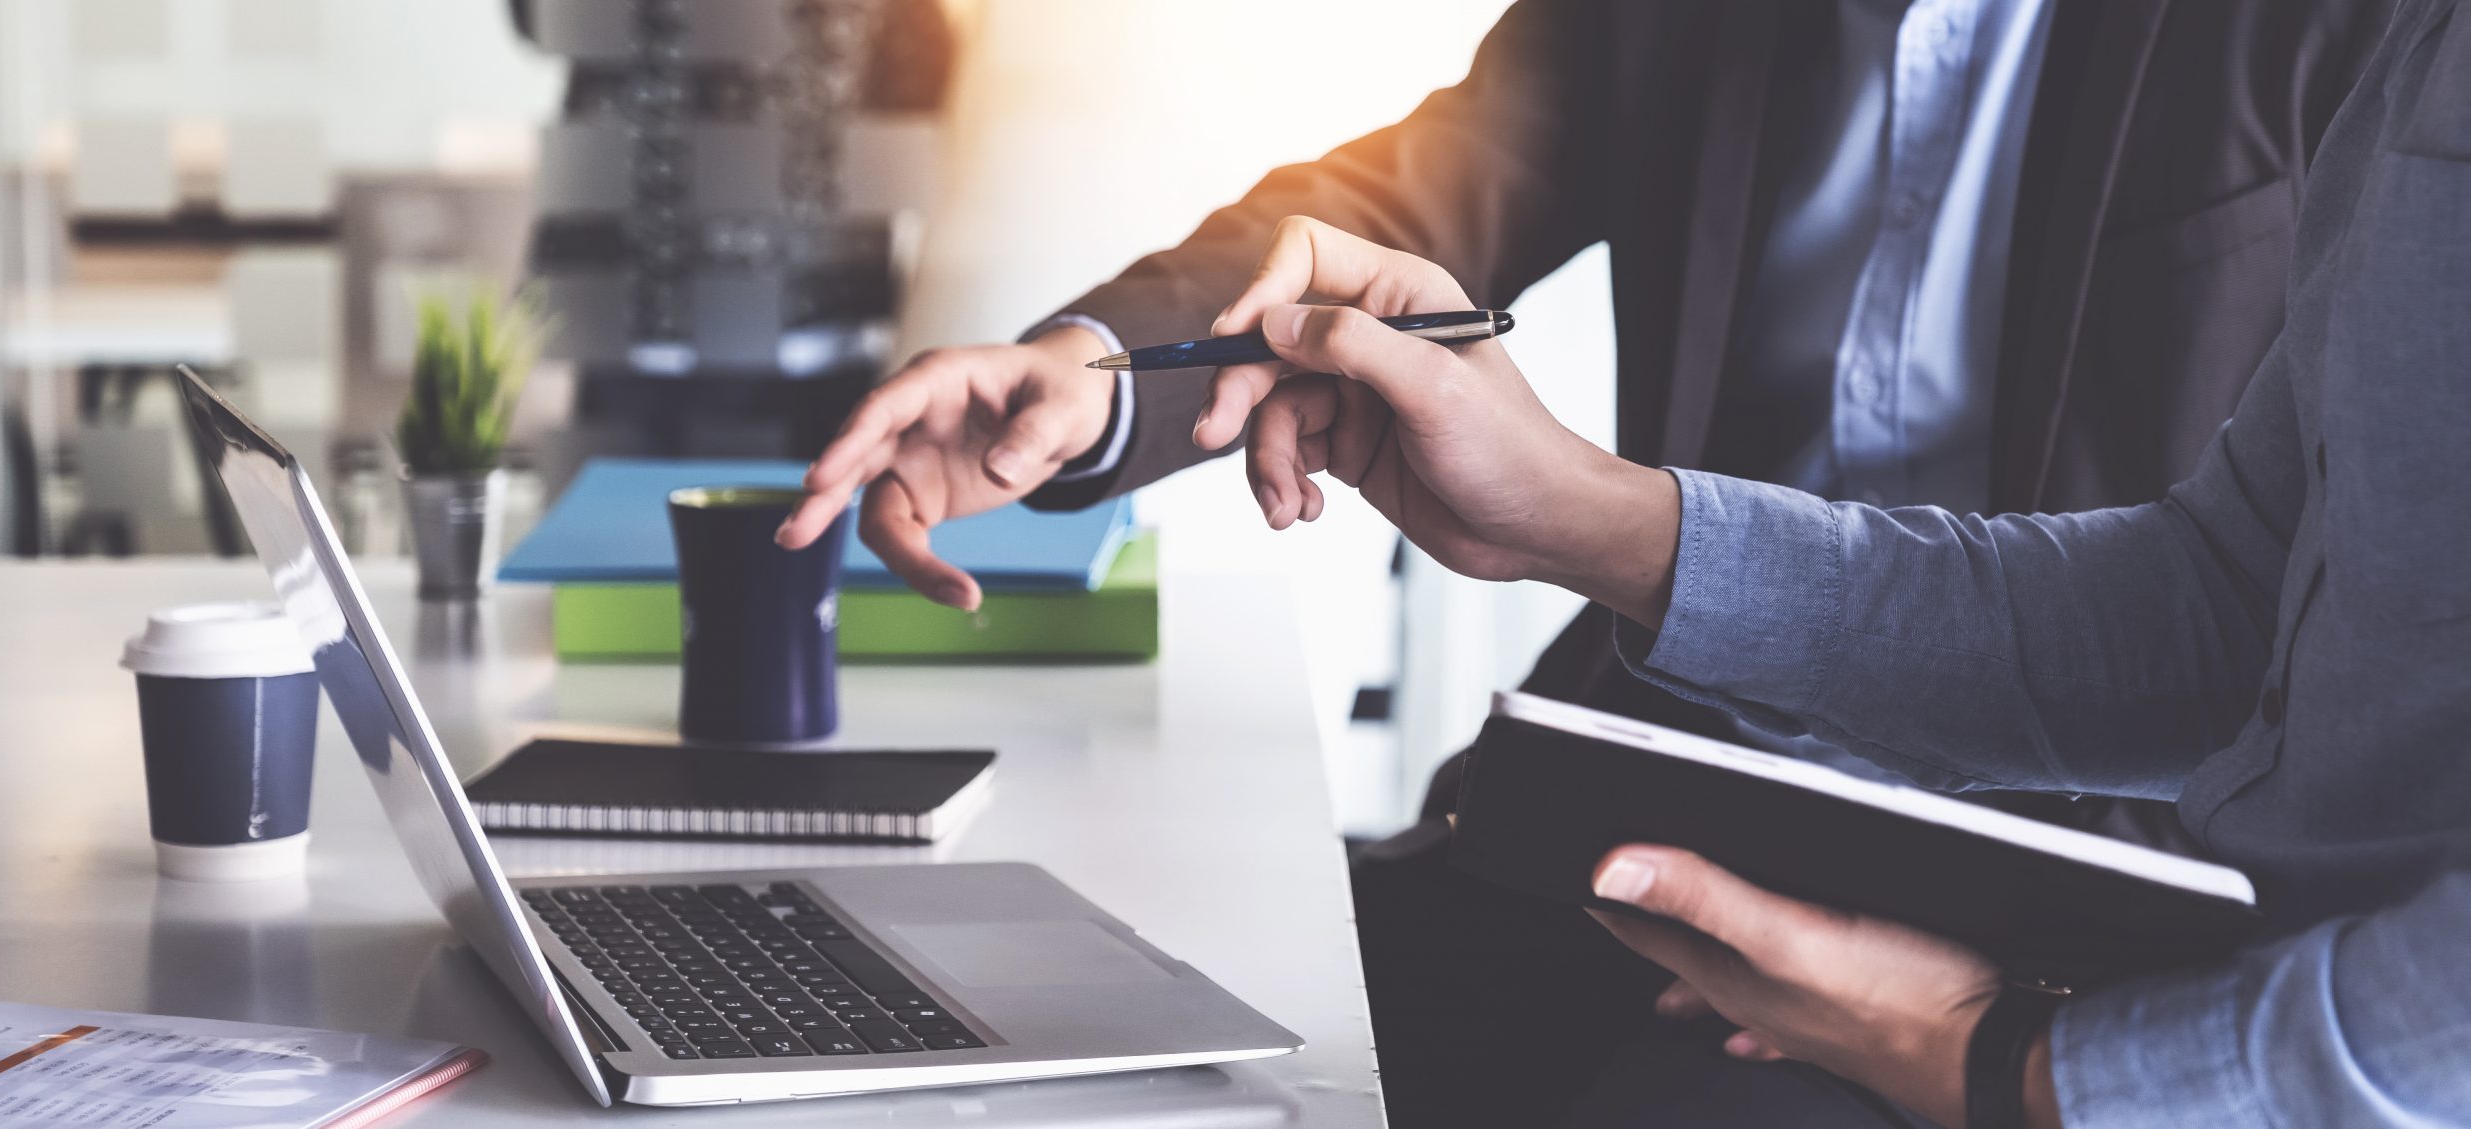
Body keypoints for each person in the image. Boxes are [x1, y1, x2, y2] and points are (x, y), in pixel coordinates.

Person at [782, 1, 2394, 1123]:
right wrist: (1106, 367)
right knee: (1163, 1041)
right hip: (1666, 766)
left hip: (2035, 894)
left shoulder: (2355, 38)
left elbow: (2237, 625)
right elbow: (1413, 184)